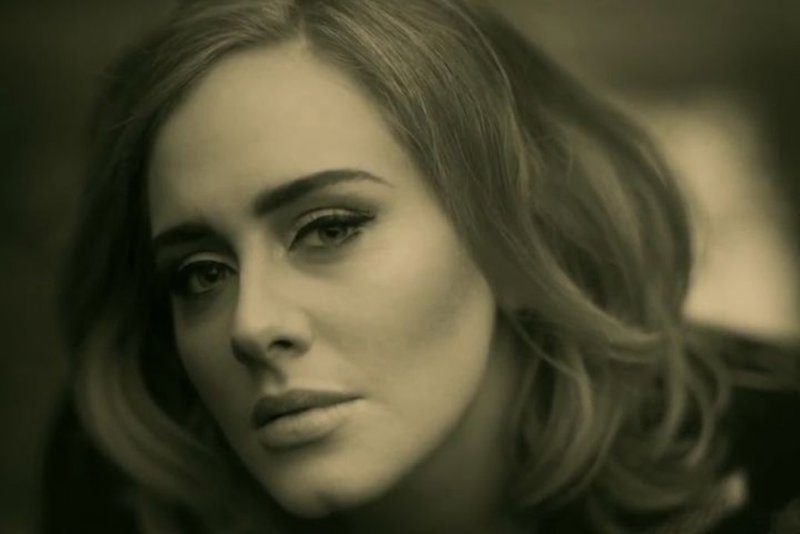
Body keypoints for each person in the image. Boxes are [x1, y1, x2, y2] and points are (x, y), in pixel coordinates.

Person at [48, 0, 800, 533]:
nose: (250, 325)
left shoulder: (774, 456)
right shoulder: (129, 490)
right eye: (201, 273)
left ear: (517, 238)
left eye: (329, 229)